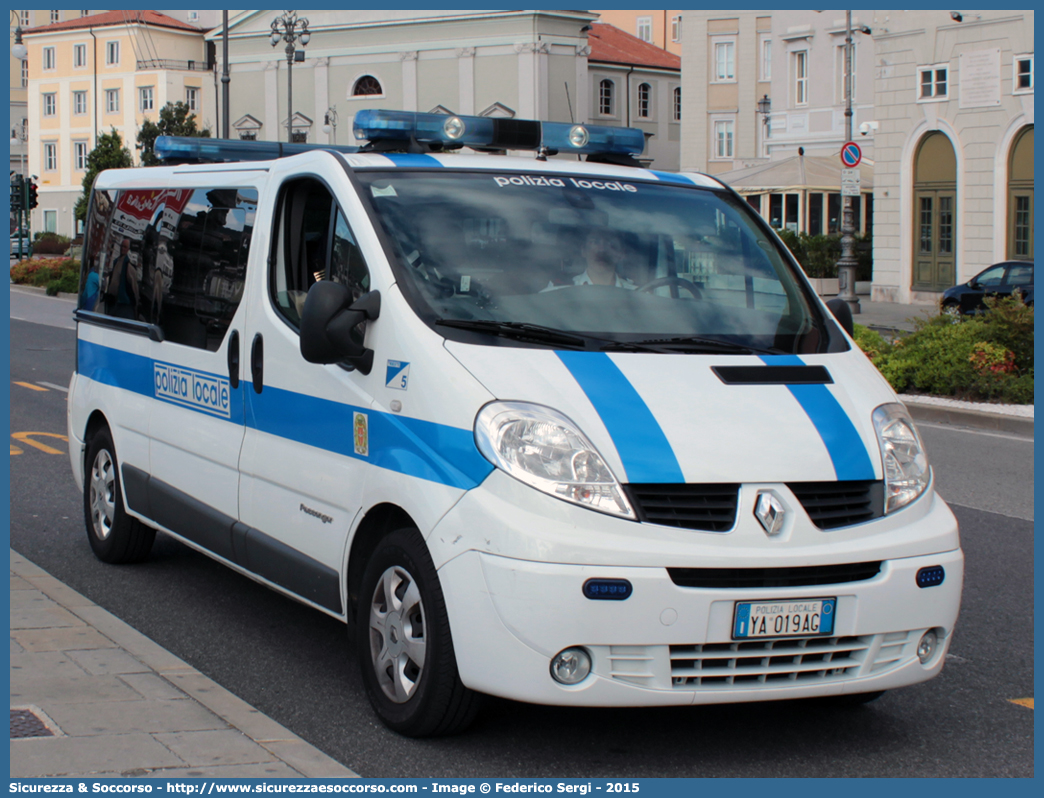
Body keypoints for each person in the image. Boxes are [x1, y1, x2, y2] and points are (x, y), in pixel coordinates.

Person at [544, 228, 637, 290]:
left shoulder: (637, 294)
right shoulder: (560, 288)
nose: (602, 249)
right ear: (583, 250)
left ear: (621, 254)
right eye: (595, 242)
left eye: (610, 243)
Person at [103, 238, 139, 318]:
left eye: (125, 247)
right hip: (114, 302)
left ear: (128, 249)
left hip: (124, 304)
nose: (122, 248)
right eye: (122, 246)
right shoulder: (117, 261)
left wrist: (135, 304)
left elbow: (134, 287)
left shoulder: (128, 265)